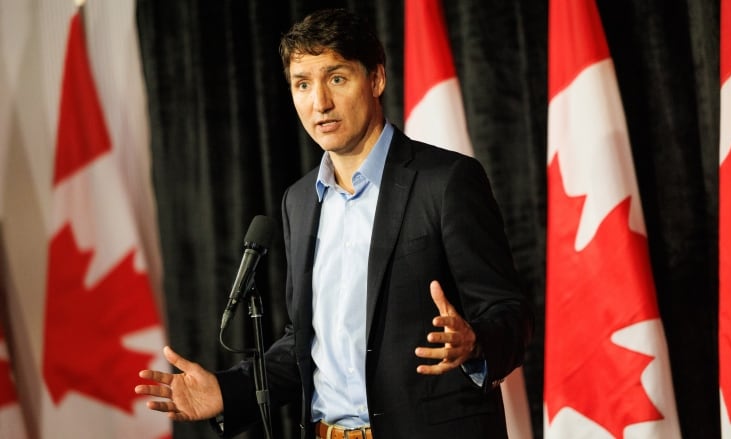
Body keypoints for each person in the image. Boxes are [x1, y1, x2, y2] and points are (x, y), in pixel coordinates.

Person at [135, 7, 533, 439]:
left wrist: (472, 341)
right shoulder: (300, 201)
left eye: (337, 78)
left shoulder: (446, 182)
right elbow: (306, 344)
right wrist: (227, 391)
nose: (319, 102)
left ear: (376, 78)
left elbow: (509, 313)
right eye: (302, 84)